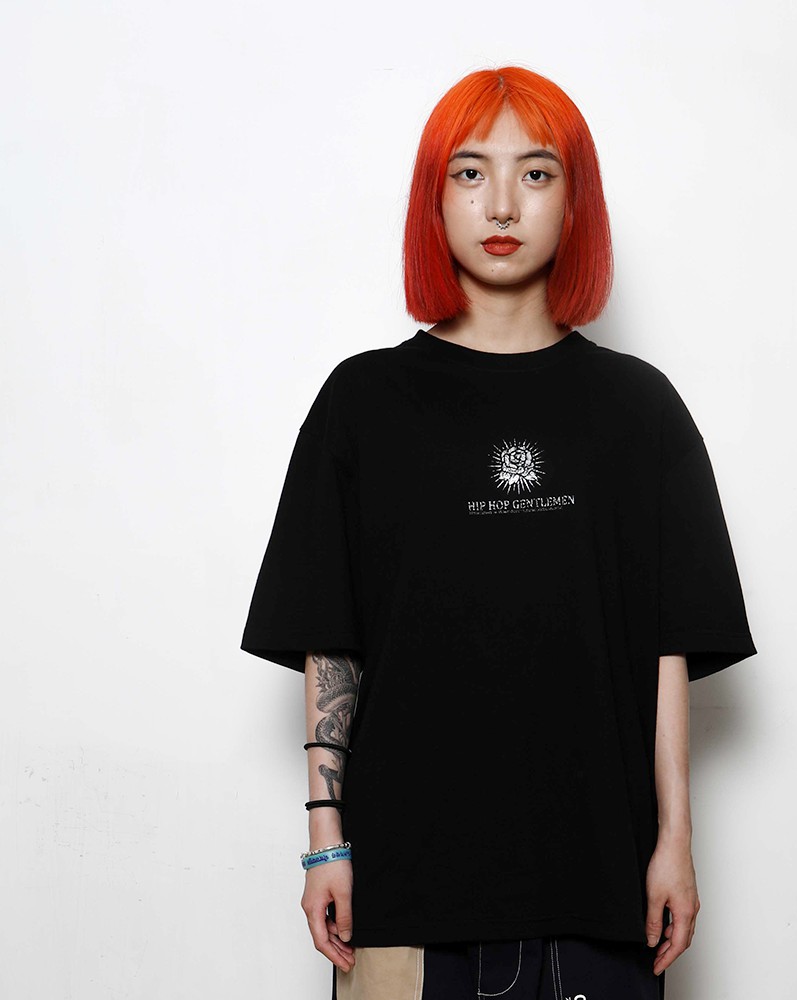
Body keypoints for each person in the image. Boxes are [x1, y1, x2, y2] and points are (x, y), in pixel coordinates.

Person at [240, 65, 757, 1000]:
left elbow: (668, 649)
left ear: (575, 201)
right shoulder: (362, 404)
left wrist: (677, 840)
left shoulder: (639, 411)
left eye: (538, 172)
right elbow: (329, 640)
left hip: (602, 899)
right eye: (470, 173)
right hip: (403, 901)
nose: (503, 203)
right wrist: (326, 842)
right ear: (433, 200)